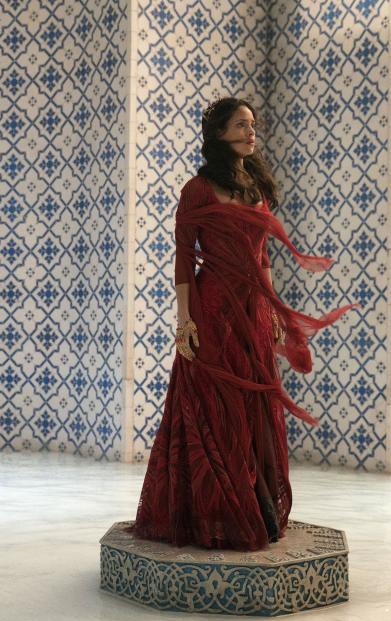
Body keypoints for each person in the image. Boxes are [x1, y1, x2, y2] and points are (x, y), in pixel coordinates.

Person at [127, 97, 360, 551]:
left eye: (253, 124)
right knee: (217, 405)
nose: (251, 132)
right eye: (241, 125)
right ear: (218, 134)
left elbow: (264, 253)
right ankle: (225, 507)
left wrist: (273, 309)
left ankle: (257, 502)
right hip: (213, 308)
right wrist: (184, 322)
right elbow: (182, 259)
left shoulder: (257, 187)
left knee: (255, 407)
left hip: (253, 308)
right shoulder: (197, 189)